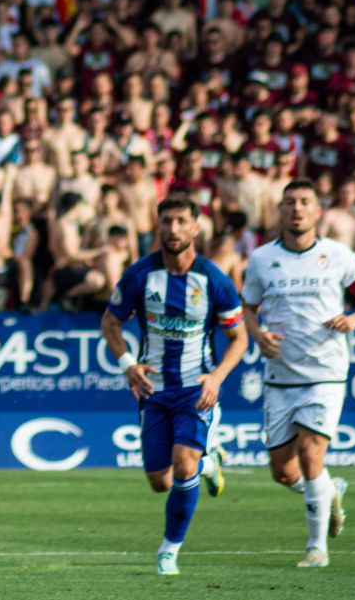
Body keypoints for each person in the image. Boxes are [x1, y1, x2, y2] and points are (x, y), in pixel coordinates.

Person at [241, 180, 355, 569]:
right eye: (289, 202)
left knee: (311, 455)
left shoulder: (336, 255)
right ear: (280, 210)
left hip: (325, 373)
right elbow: (248, 308)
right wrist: (257, 334)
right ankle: (330, 490)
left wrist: (353, 319)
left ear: (318, 211)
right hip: (280, 376)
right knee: (283, 472)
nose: (297, 209)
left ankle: (316, 548)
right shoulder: (260, 259)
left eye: (305, 202)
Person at [103, 195, 248, 577]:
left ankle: (169, 551)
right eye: (167, 221)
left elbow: (240, 339)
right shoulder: (140, 275)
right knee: (159, 480)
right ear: (158, 226)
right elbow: (110, 323)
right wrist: (127, 364)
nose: (174, 229)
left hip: (195, 389)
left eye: (182, 221)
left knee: (184, 465)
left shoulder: (214, 280)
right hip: (154, 390)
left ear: (196, 228)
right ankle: (209, 463)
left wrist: (216, 378)